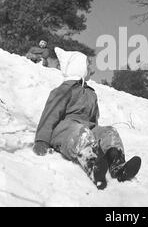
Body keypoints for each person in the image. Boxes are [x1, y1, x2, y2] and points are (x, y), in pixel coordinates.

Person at [32, 47, 141, 190]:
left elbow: (94, 120)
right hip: (65, 131)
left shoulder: (91, 93)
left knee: (109, 131)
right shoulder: (64, 90)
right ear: (78, 67)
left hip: (86, 129)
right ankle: (95, 167)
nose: (91, 68)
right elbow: (49, 114)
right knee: (80, 132)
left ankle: (118, 166)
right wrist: (41, 140)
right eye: (88, 65)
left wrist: (99, 138)